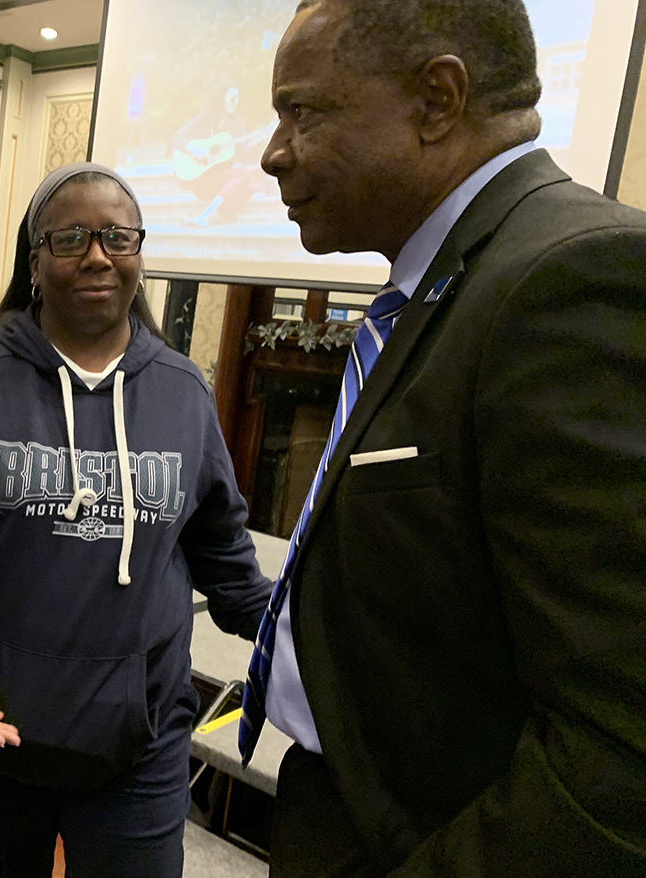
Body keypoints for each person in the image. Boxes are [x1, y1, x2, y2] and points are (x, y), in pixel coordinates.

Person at [237, 1, 646, 875]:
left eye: (301, 112)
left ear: (437, 101)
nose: (273, 152)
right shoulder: (444, 283)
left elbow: (617, 755)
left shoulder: (568, 280)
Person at [0, 162, 273, 878]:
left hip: (138, 750)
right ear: (34, 261)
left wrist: (305, 634)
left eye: (118, 237)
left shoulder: (182, 394)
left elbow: (224, 558)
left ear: (139, 257)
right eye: (72, 238)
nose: (97, 255)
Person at [171, 85, 268, 226]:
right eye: (232, 98)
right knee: (243, 174)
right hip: (200, 178)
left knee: (251, 186)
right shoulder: (205, 118)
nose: (236, 102)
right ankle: (206, 215)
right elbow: (176, 137)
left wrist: (261, 140)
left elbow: (244, 154)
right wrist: (192, 149)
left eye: (238, 99)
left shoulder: (236, 123)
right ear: (221, 99)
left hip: (220, 179)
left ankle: (220, 213)